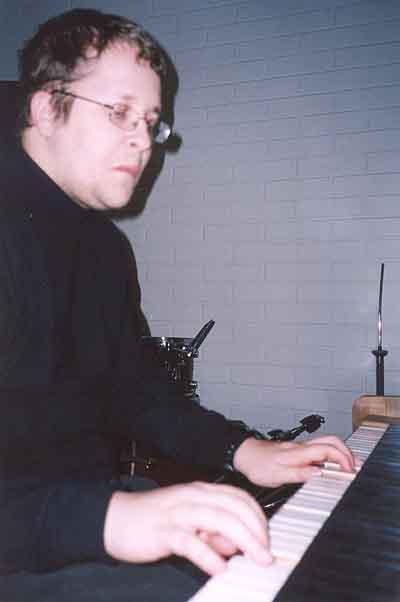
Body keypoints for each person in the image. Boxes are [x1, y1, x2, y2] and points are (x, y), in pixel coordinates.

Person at [0, 8, 356, 602]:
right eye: (119, 113)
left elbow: (134, 391)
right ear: (44, 108)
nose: (144, 142)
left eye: (151, 122)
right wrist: (116, 521)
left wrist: (244, 450)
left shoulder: (104, 248)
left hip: (77, 512)